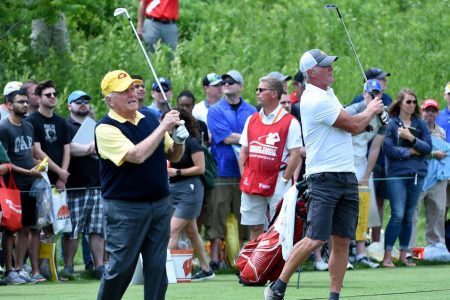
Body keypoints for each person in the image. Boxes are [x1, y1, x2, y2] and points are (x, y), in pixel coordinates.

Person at [264, 49, 383, 300]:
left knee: (342, 242)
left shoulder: (328, 94)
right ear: (311, 73)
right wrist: (371, 110)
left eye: (330, 64)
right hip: (324, 178)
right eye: (325, 65)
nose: (331, 68)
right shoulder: (314, 98)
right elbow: (352, 124)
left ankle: (334, 296)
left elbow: (350, 129)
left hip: (346, 175)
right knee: (315, 238)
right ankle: (278, 286)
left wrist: (373, 121)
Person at [95, 70, 188, 300]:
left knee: (157, 269)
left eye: (133, 88)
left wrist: (179, 139)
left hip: (159, 204)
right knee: (121, 269)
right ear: (109, 99)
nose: (132, 93)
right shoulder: (105, 128)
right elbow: (136, 155)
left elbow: (173, 155)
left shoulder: (148, 119)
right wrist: (163, 127)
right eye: (124, 90)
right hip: (125, 209)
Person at [239, 76, 301, 239]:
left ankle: (279, 264)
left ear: (274, 93)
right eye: (257, 90)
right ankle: (255, 264)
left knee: (280, 227)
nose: (257, 93)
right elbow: (244, 152)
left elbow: (295, 155)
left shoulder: (290, 122)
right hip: (253, 177)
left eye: (261, 90)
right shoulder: (251, 119)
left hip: (279, 179)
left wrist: (284, 180)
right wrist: (244, 175)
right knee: (255, 226)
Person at [206, 70, 256, 270]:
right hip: (222, 171)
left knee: (245, 216)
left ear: (241, 86)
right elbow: (225, 138)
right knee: (217, 214)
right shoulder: (215, 110)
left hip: (247, 171)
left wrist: (242, 137)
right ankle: (216, 260)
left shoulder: (252, 110)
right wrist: (245, 137)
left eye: (231, 81)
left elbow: (256, 135)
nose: (226, 84)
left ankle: (244, 259)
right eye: (224, 81)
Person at [0, 88, 46, 283]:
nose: (25, 105)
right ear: (9, 105)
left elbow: (30, 153)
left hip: (30, 183)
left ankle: (19, 268)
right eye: (20, 102)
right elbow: (5, 162)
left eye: (27, 102)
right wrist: (28, 172)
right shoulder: (3, 128)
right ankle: (9, 270)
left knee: (26, 228)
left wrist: (38, 167)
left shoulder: (28, 126)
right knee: (10, 228)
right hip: (12, 185)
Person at [382, 88, 432, 268]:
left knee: (409, 215)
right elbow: (387, 149)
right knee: (397, 214)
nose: (412, 105)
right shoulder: (392, 123)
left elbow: (428, 148)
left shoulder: (421, 123)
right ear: (400, 103)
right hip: (397, 174)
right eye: (408, 101)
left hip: (418, 174)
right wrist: (410, 151)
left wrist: (410, 137)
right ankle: (387, 256)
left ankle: (404, 255)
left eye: (414, 102)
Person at [167, 107, 215, 281]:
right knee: (192, 232)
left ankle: (158, 270)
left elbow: (200, 168)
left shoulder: (192, 142)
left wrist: (177, 173)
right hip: (175, 190)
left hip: (191, 190)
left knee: (172, 231)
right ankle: (206, 268)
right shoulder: (170, 141)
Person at [61, 90, 105, 279]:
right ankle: (69, 267)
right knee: (72, 230)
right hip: (74, 185)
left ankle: (99, 266)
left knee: (97, 229)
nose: (83, 104)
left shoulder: (97, 126)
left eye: (86, 100)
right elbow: (68, 148)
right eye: (78, 101)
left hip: (97, 184)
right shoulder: (64, 126)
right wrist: (89, 148)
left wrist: (90, 149)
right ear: (69, 105)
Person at [344, 80, 387, 269]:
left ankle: (361, 252)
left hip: (362, 163)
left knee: (364, 210)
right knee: (344, 210)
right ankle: (344, 254)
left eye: (377, 94)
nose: (374, 97)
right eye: (371, 93)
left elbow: (375, 148)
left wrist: (366, 174)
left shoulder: (383, 117)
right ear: (364, 94)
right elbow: (342, 132)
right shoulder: (352, 110)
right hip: (344, 162)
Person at [410, 99, 449, 255]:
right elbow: (411, 151)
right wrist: (432, 154)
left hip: (437, 177)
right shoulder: (415, 129)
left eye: (433, 111)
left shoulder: (441, 132)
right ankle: (411, 250)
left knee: (437, 211)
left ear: (437, 114)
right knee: (413, 211)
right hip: (419, 175)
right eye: (427, 110)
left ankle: (436, 248)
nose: (430, 114)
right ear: (421, 111)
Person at [25, 80, 71, 191]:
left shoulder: (61, 121)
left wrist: (62, 177)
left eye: (54, 94)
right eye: (48, 95)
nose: (53, 97)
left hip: (61, 180)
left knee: (62, 209)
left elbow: (67, 149)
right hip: (41, 178)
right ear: (38, 98)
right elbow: (37, 151)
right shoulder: (31, 121)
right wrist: (60, 172)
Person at [435, 82, 450, 218]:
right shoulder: (438, 116)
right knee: (441, 207)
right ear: (445, 96)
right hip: (442, 166)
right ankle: (442, 238)